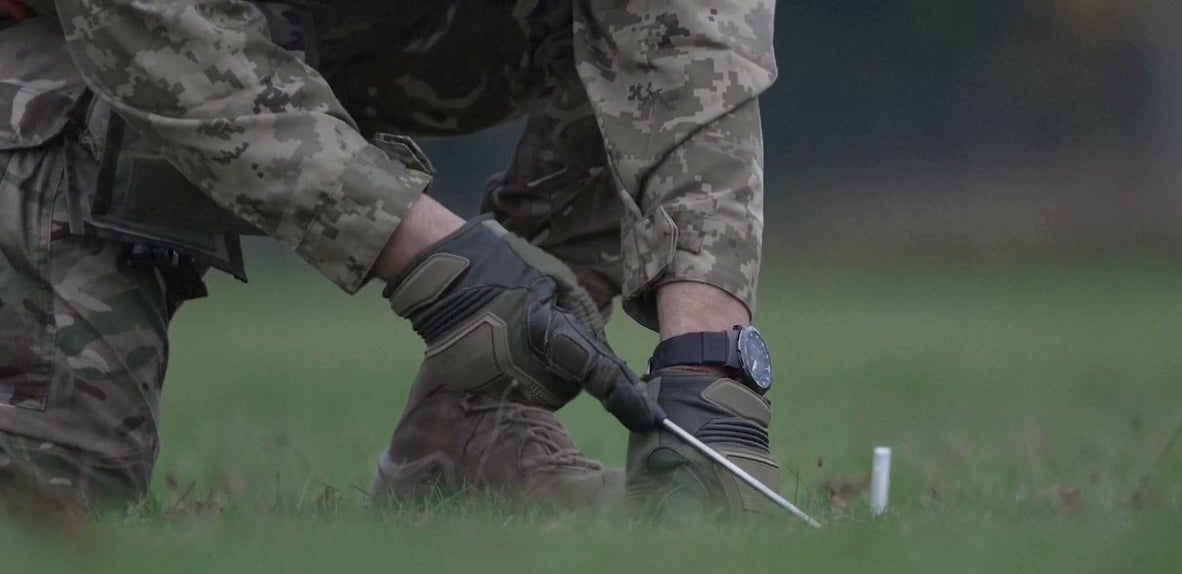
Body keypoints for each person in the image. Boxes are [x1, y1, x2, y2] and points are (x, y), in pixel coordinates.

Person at [0, 0, 781, 520]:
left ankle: (468, 432)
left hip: (369, 25)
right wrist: (438, 260)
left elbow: (691, 31)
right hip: (81, 49)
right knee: (52, 502)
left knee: (631, 37)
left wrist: (712, 370)